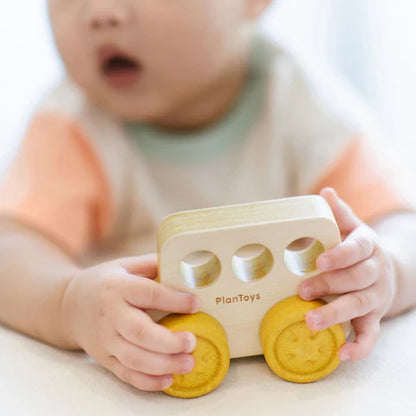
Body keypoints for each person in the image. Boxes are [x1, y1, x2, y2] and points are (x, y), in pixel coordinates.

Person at [0, 0, 415, 392]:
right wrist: (67, 303)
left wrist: (386, 269)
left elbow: (403, 226)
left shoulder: (301, 104)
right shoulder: (75, 125)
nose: (100, 13)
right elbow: (11, 250)